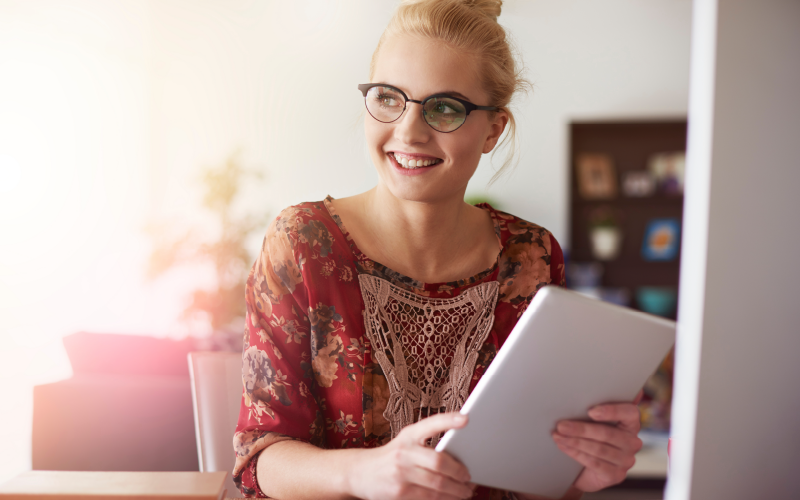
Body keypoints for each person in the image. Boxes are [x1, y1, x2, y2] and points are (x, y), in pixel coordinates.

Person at [232, 1, 643, 498]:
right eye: (389, 98)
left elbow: (528, 472)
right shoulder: (301, 243)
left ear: (493, 129)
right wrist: (364, 474)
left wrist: (579, 475)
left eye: (445, 107)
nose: (408, 131)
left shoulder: (531, 256)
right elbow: (261, 458)